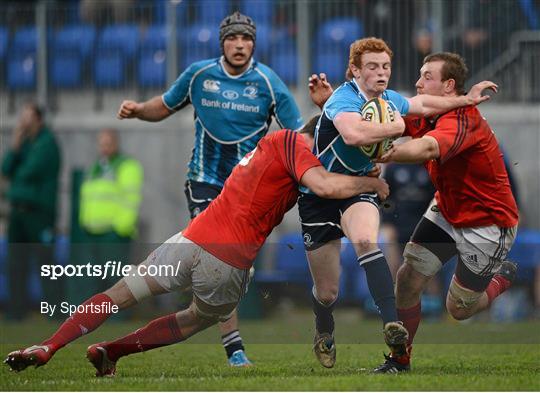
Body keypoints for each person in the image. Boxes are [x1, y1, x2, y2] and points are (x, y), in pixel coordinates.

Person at [4, 118, 389, 376]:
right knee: (192, 320)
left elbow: (321, 158)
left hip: (189, 239)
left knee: (117, 294)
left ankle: (49, 345)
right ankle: (115, 350)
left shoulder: (272, 145)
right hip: (227, 261)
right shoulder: (296, 145)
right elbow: (324, 184)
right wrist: (371, 185)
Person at [116, 11, 303, 367]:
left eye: (246, 39)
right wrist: (140, 110)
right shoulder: (200, 74)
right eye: (233, 38)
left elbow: (298, 134)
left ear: (254, 44)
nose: (239, 44)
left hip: (249, 192)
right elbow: (166, 104)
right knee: (222, 256)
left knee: (235, 268)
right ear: (223, 42)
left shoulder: (268, 82)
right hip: (205, 180)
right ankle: (234, 347)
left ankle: (193, 309)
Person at [303, 37, 497, 372]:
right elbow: (354, 136)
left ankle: (392, 327)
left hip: (358, 188)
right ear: (355, 70)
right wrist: (396, 125)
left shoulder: (389, 99)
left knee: (366, 240)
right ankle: (324, 325)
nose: (381, 73)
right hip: (320, 194)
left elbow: (422, 105)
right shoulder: (341, 98)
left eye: (386, 66)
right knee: (327, 291)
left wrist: (467, 98)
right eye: (373, 67)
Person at [374, 52, 519, 372]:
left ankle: (500, 281)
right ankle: (400, 359)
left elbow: (427, 148)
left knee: (458, 309)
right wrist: (334, 105)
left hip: (488, 224)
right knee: (408, 279)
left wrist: (384, 153)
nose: (418, 82)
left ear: (448, 86)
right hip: (447, 210)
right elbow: (387, 118)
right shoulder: (426, 112)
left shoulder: (462, 117)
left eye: (427, 76)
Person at [1, 103, 61, 320]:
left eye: (28, 117)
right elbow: (6, 168)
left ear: (39, 119)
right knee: (16, 263)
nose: (23, 122)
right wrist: (15, 145)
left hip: (39, 213)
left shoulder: (47, 144)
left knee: (46, 263)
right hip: (18, 213)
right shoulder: (24, 144)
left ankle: (55, 311)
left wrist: (13, 182)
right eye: (22, 117)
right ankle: (16, 312)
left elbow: (26, 174)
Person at [74, 128, 143, 302]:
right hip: (92, 232)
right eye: (101, 144)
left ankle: (118, 318)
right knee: (93, 279)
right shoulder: (96, 167)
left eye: (108, 143)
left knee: (116, 280)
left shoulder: (126, 166)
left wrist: (121, 228)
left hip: (113, 233)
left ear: (116, 143)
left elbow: (131, 199)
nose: (104, 147)